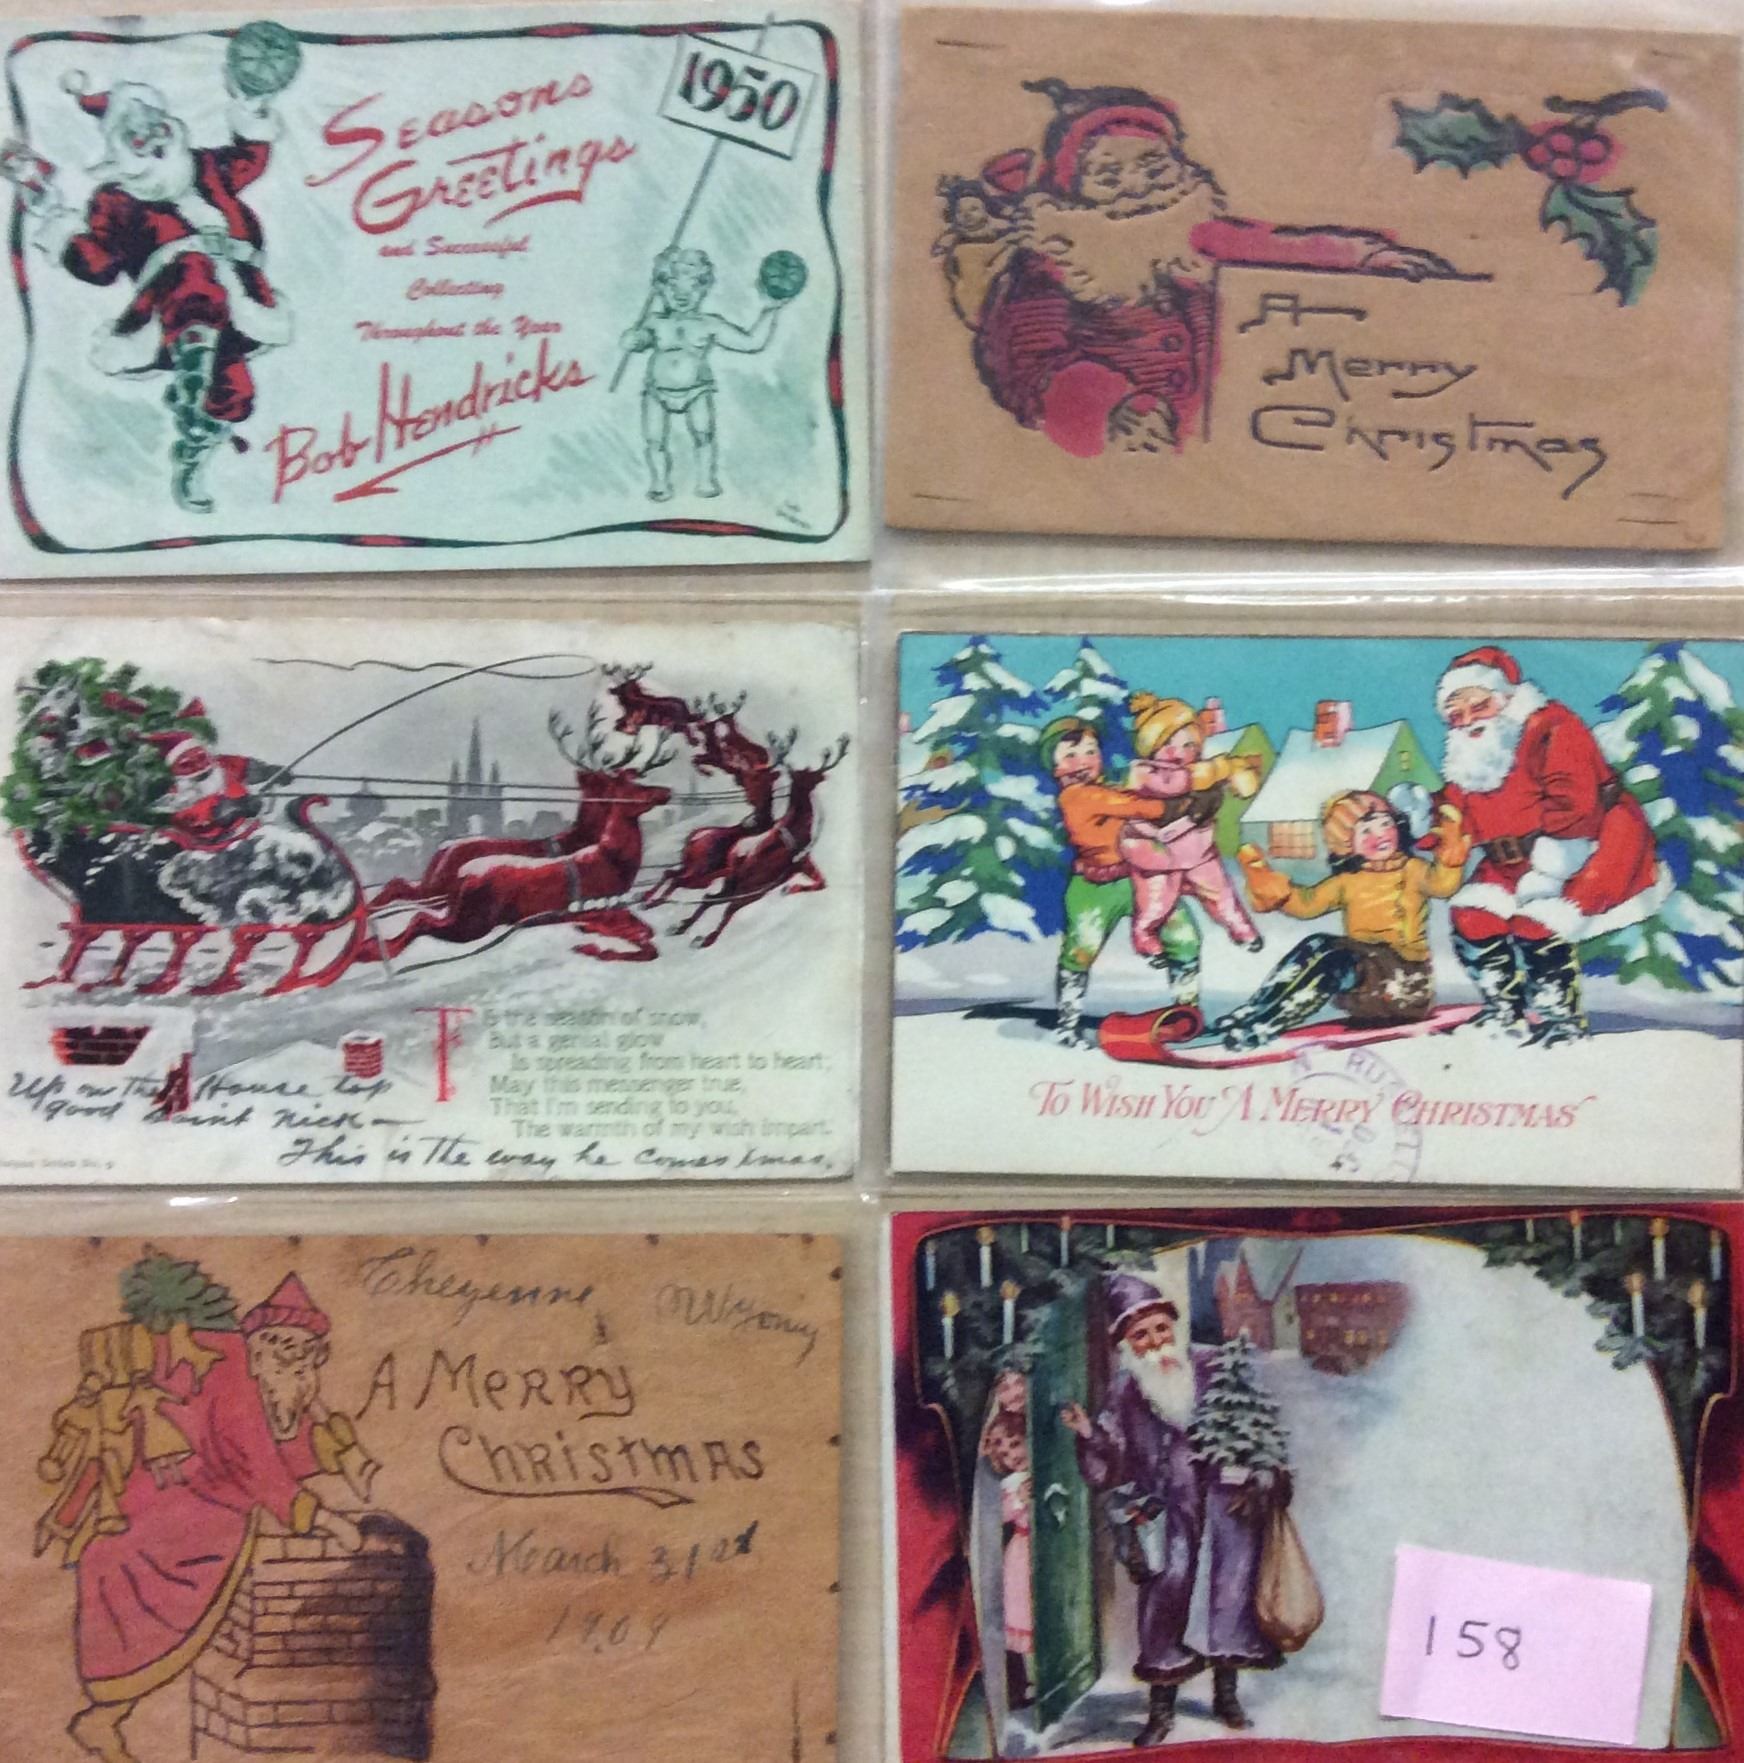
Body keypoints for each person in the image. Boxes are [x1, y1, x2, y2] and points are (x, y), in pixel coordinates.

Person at [936, 79, 1455, 458]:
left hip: (1224, 437)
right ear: (1072, 189)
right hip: (1129, 453)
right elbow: (1030, 361)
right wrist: (1108, 410)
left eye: (1152, 167)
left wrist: (1368, 257)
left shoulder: (1194, 231)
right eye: (1109, 176)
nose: (1136, 187)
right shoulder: (1052, 262)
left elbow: (1280, 248)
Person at [47, 1271, 374, 1763]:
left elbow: (269, 1457)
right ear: (264, 1347)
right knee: (167, 1605)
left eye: (309, 1356)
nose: (301, 1366)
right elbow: (260, 1469)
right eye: (289, 1352)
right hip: (177, 1509)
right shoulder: (235, 1377)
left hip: (210, 1503)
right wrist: (330, 1521)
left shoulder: (268, 1383)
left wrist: (328, 1447)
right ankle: (102, 1720)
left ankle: (103, 1720)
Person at [32, 69, 293, 513]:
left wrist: (251, 103)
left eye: (155, 125)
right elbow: (99, 264)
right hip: (172, 298)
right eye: (136, 134)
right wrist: (61, 229)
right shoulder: (116, 200)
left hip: (237, 293)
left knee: (235, 393)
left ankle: (195, 442)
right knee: (194, 276)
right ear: (119, 147)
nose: (151, 137)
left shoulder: (206, 167)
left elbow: (250, 158)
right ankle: (192, 365)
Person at [1061, 1272, 1290, 1746]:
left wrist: (1263, 1475)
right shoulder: (1126, 1391)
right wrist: (1088, 1434)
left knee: (1228, 1595)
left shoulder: (1212, 1366)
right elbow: (1110, 1459)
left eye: (1161, 1329)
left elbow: (1258, 1430)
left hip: (1228, 1507)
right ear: (1126, 1344)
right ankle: (1161, 1711)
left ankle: (1226, 1697)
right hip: (1167, 1513)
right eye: (1141, 1335)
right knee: (1164, 1600)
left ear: (1174, 1327)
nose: (1155, 1342)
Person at [1434, 646, 1663, 1045]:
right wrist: (1425, 822)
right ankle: (1504, 1010)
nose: (1467, 720)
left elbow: (1576, 802)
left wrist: (1546, 862)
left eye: (1479, 706)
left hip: (1589, 846)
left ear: (1505, 697)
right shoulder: (1471, 755)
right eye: (1456, 714)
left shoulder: (1551, 726)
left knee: (1540, 921)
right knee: (1472, 916)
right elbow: (1454, 808)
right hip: (1514, 861)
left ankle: (1562, 1020)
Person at [1215, 788, 1470, 1050]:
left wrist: (1450, 860)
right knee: (1317, 944)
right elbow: (1307, 905)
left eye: (1385, 823)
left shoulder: (1412, 870)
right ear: (1348, 844)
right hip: (1365, 987)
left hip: (1406, 987)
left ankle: (1270, 1024)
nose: (1380, 834)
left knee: (1338, 958)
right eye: (1366, 830)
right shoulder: (1347, 881)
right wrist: (1277, 892)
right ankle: (1257, 1009)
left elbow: (1441, 886)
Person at [1039, 714, 1200, 1048]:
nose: (1083, 760)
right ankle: (1068, 1025)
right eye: (1071, 755)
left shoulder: (1109, 787)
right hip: (1094, 888)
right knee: (1080, 950)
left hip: (1139, 878)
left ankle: (1188, 1014)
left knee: (1183, 935)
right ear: (1055, 767)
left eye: (1090, 751)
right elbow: (1137, 807)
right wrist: (1182, 803)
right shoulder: (1077, 797)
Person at [1118, 693, 1265, 1007]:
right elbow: (1174, 783)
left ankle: (1241, 930)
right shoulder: (1143, 771)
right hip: (1155, 854)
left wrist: (1237, 775)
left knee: (1220, 892)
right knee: (1155, 904)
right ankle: (1145, 938)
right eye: (1169, 744)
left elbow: (1222, 786)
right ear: (1152, 746)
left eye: (1188, 745)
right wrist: (1219, 768)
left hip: (1195, 850)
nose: (1179, 753)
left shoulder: (1200, 771)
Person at [620, 246, 788, 501]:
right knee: (654, 440)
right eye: (672, 284)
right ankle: (660, 483)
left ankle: (706, 480)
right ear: (659, 287)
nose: (682, 293)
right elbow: (639, 340)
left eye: (693, 285)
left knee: (704, 435)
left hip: (696, 390)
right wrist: (631, 339)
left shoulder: (709, 323)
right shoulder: (655, 321)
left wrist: (770, 310)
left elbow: (751, 343)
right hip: (656, 392)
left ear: (704, 287)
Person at [981, 1410, 1036, 1709]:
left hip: (1042, 1553)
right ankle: (1020, 1685)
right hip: (1020, 1556)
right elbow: (999, 1516)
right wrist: (1019, 1501)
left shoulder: (1045, 1468)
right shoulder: (1012, 1483)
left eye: (1015, 1444)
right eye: (1003, 1453)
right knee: (1019, 1615)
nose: (1012, 1455)